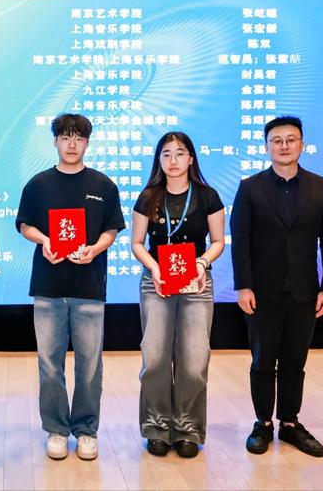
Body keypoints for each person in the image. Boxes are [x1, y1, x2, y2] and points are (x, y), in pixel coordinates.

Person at [15, 113, 125, 461]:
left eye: (79, 138)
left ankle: (87, 430)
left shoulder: (103, 185)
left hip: (89, 286)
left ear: (87, 143)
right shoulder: (39, 184)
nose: (72, 144)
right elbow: (24, 225)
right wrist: (45, 240)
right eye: (65, 137)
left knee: (90, 364)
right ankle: (57, 429)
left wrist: (95, 248)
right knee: (50, 363)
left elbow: (111, 229)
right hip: (48, 286)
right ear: (55, 141)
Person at [230, 116, 323, 458]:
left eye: (291, 139)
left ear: (302, 144)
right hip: (262, 292)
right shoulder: (250, 187)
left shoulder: (321, 187)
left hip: (306, 291)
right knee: (263, 361)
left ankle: (290, 423)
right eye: (276, 140)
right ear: (266, 147)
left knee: (295, 361)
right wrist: (243, 286)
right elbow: (241, 241)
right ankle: (263, 423)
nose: (284, 146)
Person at [130, 132, 225, 459]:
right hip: (156, 282)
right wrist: (154, 268)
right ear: (159, 160)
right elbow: (137, 243)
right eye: (166, 154)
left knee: (194, 360)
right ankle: (157, 426)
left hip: (196, 284)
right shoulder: (148, 197)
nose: (173, 160)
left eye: (180, 153)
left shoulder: (208, 196)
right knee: (155, 357)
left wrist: (201, 262)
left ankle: (187, 429)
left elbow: (218, 241)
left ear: (191, 158)